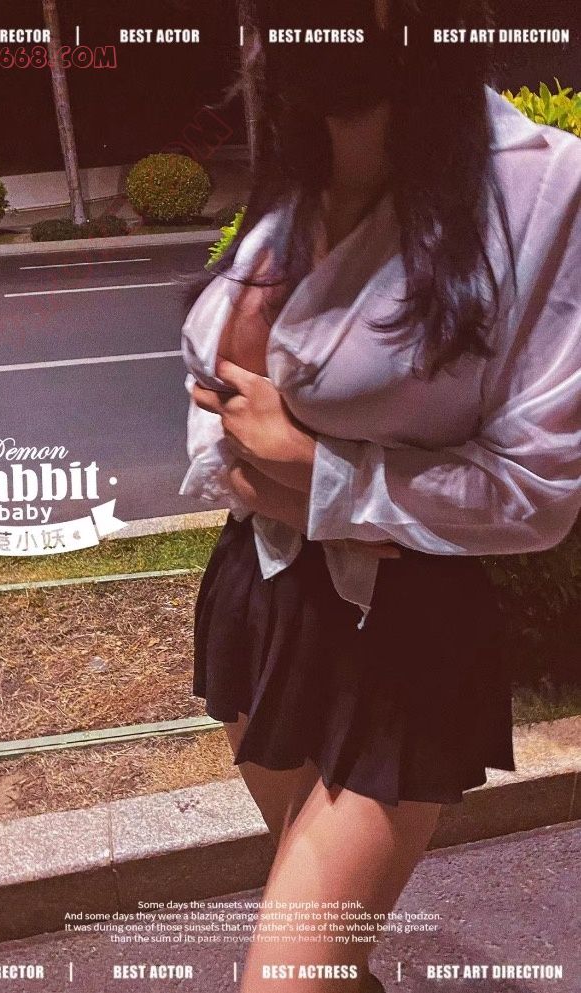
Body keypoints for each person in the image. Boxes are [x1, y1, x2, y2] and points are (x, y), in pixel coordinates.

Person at [178, 2, 581, 990]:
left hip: (400, 633)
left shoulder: (542, 188)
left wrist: (315, 473)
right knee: (331, 956)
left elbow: (536, 490)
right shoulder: (295, 173)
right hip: (260, 596)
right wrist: (248, 468)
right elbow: (217, 383)